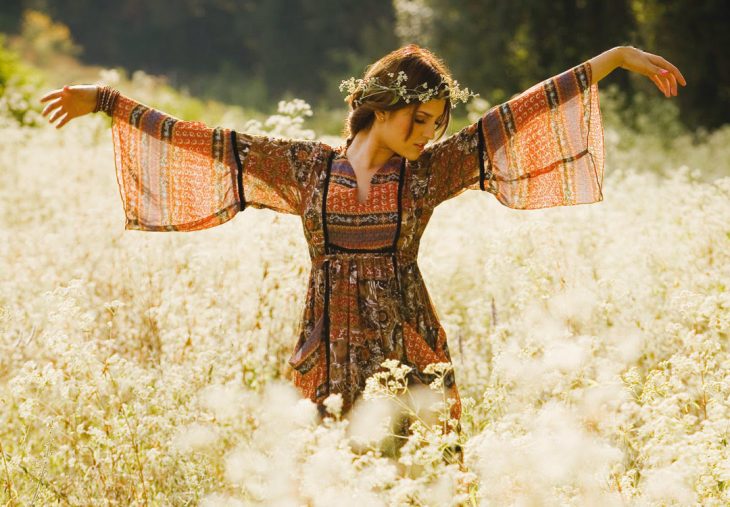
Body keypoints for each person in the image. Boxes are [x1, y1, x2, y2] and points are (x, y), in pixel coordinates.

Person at [39, 43, 685, 467]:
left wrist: (618, 59)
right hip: (328, 354)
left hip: (411, 351)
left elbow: (515, 117)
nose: (429, 132)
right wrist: (107, 102)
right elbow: (210, 144)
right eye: (421, 118)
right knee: (331, 476)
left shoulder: (427, 174)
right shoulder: (308, 170)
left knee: (419, 478)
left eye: (436, 122)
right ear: (384, 108)